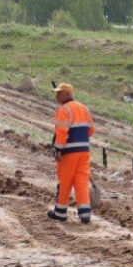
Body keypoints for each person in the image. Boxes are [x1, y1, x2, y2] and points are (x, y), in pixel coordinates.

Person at [48, 82, 95, 224]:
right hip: (84, 151)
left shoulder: (64, 110)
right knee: (81, 181)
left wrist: (58, 150)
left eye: (59, 93)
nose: (56, 96)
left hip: (69, 152)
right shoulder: (84, 108)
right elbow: (91, 130)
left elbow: (61, 132)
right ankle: (85, 214)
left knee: (65, 181)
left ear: (67, 94)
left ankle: (60, 212)